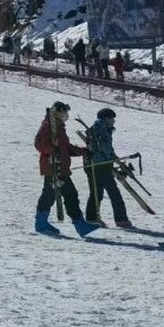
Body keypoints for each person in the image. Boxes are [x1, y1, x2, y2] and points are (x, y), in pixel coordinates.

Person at [33, 101, 95, 237]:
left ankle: (80, 224)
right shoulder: (49, 125)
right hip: (53, 166)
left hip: (62, 167)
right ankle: (41, 223)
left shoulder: (59, 127)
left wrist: (84, 152)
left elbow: (65, 148)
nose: (66, 115)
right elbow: (39, 143)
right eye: (64, 112)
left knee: (69, 195)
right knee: (51, 194)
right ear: (58, 112)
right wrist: (53, 150)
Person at [81, 107, 132, 229]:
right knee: (114, 193)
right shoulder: (100, 129)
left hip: (95, 165)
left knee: (96, 192)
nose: (113, 121)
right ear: (105, 119)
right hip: (98, 165)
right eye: (111, 118)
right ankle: (121, 219)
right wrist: (111, 157)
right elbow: (103, 147)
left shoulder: (104, 129)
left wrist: (114, 157)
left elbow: (107, 148)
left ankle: (92, 218)